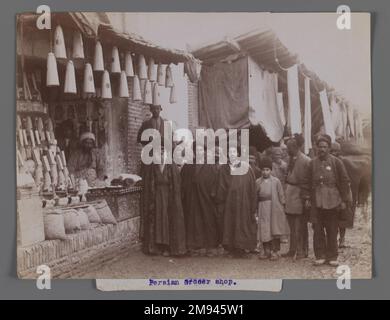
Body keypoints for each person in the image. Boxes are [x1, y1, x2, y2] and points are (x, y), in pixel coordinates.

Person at [307, 134, 351, 266]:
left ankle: (332, 256)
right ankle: (320, 255)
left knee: (332, 229)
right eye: (320, 147)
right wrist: (308, 198)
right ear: (316, 148)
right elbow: (308, 182)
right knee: (318, 229)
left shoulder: (336, 162)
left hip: (333, 201)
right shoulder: (312, 163)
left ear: (329, 148)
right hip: (317, 202)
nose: (322, 149)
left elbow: (344, 181)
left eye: (325, 147)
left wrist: (344, 200)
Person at [139, 147, 186, 257]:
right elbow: (150, 182)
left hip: (168, 197)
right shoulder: (153, 167)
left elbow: (176, 184)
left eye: (162, 153)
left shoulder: (171, 166)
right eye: (158, 153)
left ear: (166, 154)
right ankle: (157, 246)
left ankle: (168, 247)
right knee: (157, 220)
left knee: (167, 220)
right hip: (156, 197)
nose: (160, 156)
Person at [215, 146, 257, 258]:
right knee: (230, 224)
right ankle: (231, 248)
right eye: (229, 152)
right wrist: (221, 200)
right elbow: (221, 186)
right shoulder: (224, 169)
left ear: (238, 154)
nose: (232, 154)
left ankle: (242, 248)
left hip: (243, 201)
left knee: (242, 223)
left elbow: (251, 185)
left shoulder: (245, 167)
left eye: (234, 152)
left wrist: (252, 203)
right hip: (229, 202)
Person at [181, 144, 219, 256]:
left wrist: (213, 194)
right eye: (196, 150)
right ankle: (194, 246)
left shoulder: (211, 166)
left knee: (208, 220)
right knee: (193, 222)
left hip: (206, 198)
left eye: (201, 149)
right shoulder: (188, 166)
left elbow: (215, 181)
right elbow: (182, 181)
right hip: (192, 199)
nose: (199, 152)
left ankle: (210, 247)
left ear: (204, 151)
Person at [283, 134, 311, 260]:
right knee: (291, 225)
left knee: (300, 225)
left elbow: (309, 182)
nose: (287, 149)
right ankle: (292, 249)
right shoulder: (289, 159)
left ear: (295, 147)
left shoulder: (306, 160)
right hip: (290, 193)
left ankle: (302, 250)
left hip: (300, 194)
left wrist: (307, 198)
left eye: (289, 147)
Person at [256, 157, 289, 260]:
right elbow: (255, 196)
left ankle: (275, 251)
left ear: (270, 170)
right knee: (265, 229)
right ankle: (266, 251)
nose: (265, 172)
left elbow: (281, 194)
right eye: (263, 170)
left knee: (274, 229)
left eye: (267, 170)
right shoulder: (257, 182)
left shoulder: (276, 181)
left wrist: (283, 205)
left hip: (274, 208)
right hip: (262, 207)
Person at [330, 141, 354, 248]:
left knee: (343, 217)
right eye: (332, 151)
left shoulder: (343, 161)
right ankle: (333, 238)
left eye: (336, 151)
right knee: (333, 217)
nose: (334, 153)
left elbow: (348, 179)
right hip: (333, 193)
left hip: (343, 191)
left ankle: (342, 239)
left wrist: (347, 195)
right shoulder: (329, 161)